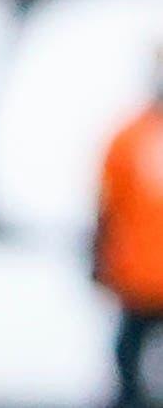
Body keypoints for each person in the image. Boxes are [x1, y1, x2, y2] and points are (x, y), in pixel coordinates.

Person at [98, 51, 163, 408]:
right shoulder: (129, 137)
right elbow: (108, 207)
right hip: (138, 279)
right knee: (128, 369)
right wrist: (100, 260)